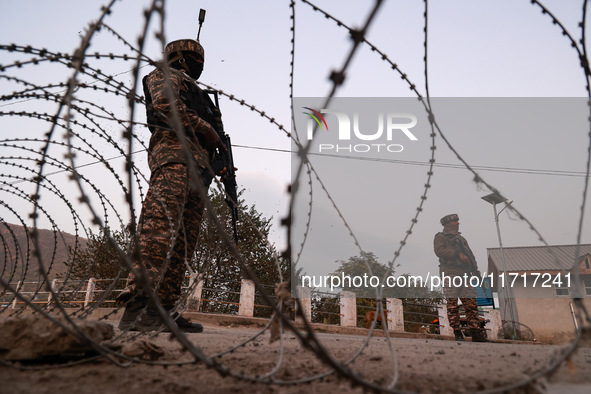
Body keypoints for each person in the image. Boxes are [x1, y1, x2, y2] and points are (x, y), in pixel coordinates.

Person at [118, 38, 226, 332]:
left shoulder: (202, 97)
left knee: (183, 245)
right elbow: (166, 105)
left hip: (199, 171)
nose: (196, 64)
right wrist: (206, 130)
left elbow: (216, 137)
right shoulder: (165, 75)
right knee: (159, 229)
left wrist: (221, 162)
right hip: (174, 158)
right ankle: (138, 306)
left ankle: (163, 309)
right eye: (192, 57)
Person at [433, 214, 488, 342]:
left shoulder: (461, 239)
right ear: (447, 224)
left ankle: (476, 333)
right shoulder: (440, 237)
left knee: (471, 304)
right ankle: (457, 332)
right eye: (455, 221)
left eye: (457, 221)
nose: (458, 223)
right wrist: (457, 254)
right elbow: (439, 251)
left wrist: (475, 268)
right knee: (452, 304)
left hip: (466, 274)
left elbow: (470, 254)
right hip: (450, 273)